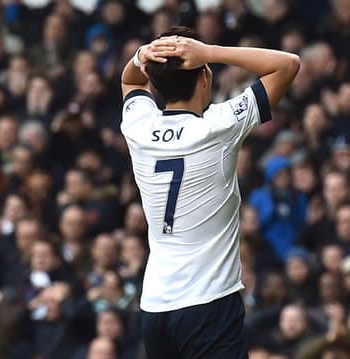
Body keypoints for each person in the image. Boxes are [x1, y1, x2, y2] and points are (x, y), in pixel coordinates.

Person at [120, 26, 300, 358]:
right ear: (205, 76)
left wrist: (142, 55)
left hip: (155, 307)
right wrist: (210, 51)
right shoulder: (218, 126)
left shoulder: (139, 126)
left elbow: (131, 81)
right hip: (208, 304)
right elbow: (287, 64)